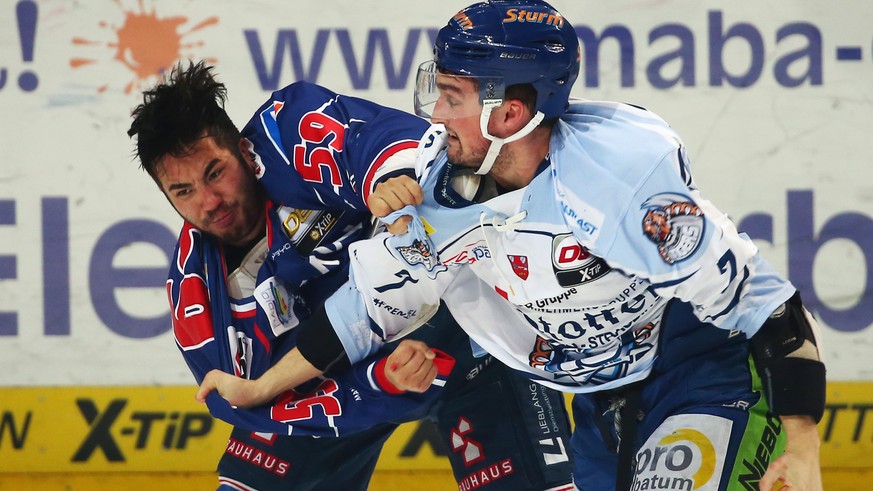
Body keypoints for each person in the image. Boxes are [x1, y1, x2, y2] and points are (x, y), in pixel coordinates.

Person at [267, 1, 828, 489]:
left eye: (451, 96)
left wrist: (803, 446)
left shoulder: (617, 183)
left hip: (699, 369)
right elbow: (369, 304)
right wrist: (255, 388)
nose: (435, 114)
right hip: (596, 405)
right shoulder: (437, 185)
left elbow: (766, 304)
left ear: (509, 113)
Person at [129, 61, 575, 490]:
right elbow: (253, 402)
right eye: (183, 191)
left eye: (215, 173)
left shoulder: (285, 136)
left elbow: (379, 142)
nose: (210, 202)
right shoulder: (199, 298)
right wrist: (379, 381)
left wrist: (394, 181)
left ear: (243, 152)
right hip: (339, 377)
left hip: (473, 335)